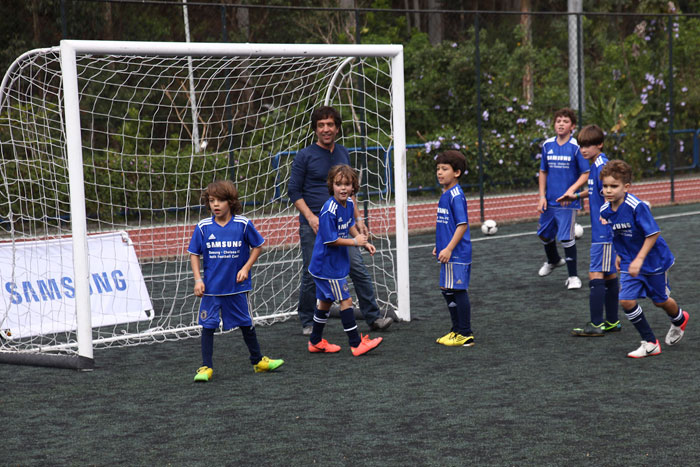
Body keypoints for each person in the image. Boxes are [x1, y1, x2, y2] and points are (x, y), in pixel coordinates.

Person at [288, 106, 393, 335]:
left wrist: (358, 218)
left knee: (358, 268)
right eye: (321, 125)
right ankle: (307, 321)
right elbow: (293, 191)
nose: (326, 129)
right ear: (315, 129)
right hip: (313, 225)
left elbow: (350, 188)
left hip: (343, 225)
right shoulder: (305, 156)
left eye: (330, 125)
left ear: (337, 128)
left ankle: (373, 317)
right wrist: (311, 217)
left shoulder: (343, 152)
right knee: (311, 273)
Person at [188, 180, 284, 381]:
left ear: (230, 202)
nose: (215, 205)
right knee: (208, 326)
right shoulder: (203, 227)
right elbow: (194, 253)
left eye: (220, 200)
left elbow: (258, 246)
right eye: (212, 200)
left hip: (237, 288)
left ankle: (258, 361)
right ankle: (205, 367)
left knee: (246, 323)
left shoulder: (243, 224)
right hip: (212, 290)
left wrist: (246, 268)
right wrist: (198, 280)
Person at [599, 160, 690, 358]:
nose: (608, 190)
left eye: (614, 186)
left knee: (660, 301)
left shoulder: (636, 206)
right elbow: (617, 234)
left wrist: (639, 259)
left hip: (653, 261)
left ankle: (679, 318)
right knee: (626, 301)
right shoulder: (605, 210)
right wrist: (619, 254)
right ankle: (650, 342)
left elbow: (653, 234)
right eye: (605, 186)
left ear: (626, 187)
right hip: (629, 262)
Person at [306, 165, 383, 356]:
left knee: (324, 302)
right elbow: (330, 240)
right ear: (331, 185)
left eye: (347, 184)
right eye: (338, 184)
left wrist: (362, 242)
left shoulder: (348, 204)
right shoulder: (329, 210)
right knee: (346, 299)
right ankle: (356, 344)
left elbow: (349, 225)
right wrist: (354, 241)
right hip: (326, 265)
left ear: (353, 187)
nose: (342, 188)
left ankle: (315, 341)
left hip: (335, 263)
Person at [557, 124, 621, 336]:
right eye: (581, 146)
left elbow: (614, 194)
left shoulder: (603, 166)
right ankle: (612, 321)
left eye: (588, 146)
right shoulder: (596, 165)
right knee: (609, 274)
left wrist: (608, 219)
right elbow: (596, 189)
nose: (583, 150)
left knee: (595, 273)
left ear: (599, 145)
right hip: (603, 230)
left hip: (604, 231)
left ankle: (596, 324)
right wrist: (575, 196)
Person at [536, 107, 590, 290]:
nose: (561, 124)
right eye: (558, 120)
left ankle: (573, 277)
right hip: (548, 201)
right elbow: (543, 171)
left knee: (566, 238)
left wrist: (572, 191)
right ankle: (553, 261)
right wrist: (541, 196)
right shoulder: (547, 145)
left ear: (572, 126)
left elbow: (585, 174)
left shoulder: (576, 148)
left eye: (565, 121)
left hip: (566, 202)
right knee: (544, 235)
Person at [433, 150, 475, 347]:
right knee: (446, 288)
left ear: (456, 172)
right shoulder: (446, 193)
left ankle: (465, 333)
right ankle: (456, 330)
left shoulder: (456, 196)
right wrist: (439, 246)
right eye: (438, 169)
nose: (440, 173)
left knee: (458, 289)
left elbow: (462, 225)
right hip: (448, 251)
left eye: (444, 169)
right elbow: (446, 225)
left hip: (457, 252)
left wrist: (449, 248)